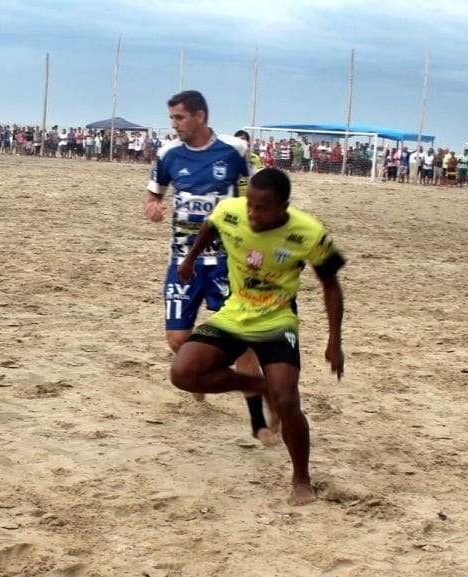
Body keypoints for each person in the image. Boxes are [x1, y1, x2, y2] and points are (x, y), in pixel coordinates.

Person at [171, 167, 346, 506]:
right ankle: (258, 386)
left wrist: (334, 341)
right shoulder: (231, 210)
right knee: (183, 373)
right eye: (249, 204)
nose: (252, 213)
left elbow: (331, 286)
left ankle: (301, 479)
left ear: (283, 206)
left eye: (261, 207)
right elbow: (211, 226)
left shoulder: (309, 233)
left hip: (277, 319)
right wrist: (190, 259)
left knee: (288, 400)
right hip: (235, 312)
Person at [144, 90, 277, 446]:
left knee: (243, 345)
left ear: (200, 116)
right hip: (183, 262)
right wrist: (153, 207)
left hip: (226, 264)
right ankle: (203, 376)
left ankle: (263, 412)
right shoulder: (168, 153)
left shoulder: (234, 151)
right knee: (177, 340)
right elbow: (154, 193)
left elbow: (259, 191)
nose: (174, 124)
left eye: (180, 118)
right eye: (172, 118)